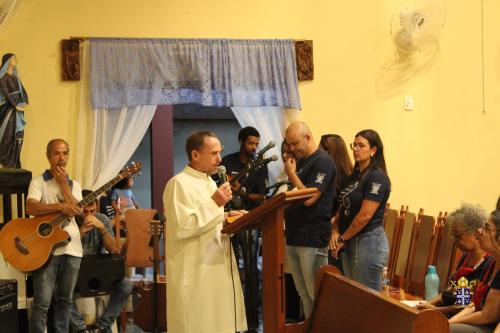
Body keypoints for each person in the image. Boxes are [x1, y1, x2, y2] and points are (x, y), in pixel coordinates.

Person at [163, 130, 247, 333]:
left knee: (218, 322)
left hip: (215, 266)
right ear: (195, 155)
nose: (220, 159)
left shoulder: (210, 182)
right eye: (214, 153)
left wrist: (229, 216)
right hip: (194, 272)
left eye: (220, 153)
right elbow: (182, 227)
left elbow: (211, 221)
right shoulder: (178, 184)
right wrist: (215, 203)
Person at [26, 139, 83, 333]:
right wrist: (59, 206)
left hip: (73, 248)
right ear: (48, 156)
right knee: (42, 301)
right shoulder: (37, 181)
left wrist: (63, 185)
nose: (61, 158)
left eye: (65, 153)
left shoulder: (75, 184)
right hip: (45, 250)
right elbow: (31, 206)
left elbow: (78, 210)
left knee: (65, 300)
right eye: (57, 153)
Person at [284, 121, 336, 318]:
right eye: (289, 144)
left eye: (294, 143)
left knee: (316, 294)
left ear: (307, 138)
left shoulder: (322, 162)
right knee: (303, 293)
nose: (291, 148)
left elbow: (309, 199)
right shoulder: (301, 161)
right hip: (295, 235)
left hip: (312, 237)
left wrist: (291, 174)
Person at [220, 126, 269, 332]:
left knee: (251, 273)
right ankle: (229, 318)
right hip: (228, 224)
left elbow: (263, 196)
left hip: (250, 224)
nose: (254, 147)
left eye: (256, 144)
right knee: (230, 271)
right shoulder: (226, 163)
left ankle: (252, 322)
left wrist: (243, 193)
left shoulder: (259, 165)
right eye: (250, 143)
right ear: (241, 141)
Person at [331, 129, 390, 291]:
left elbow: (365, 216)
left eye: (361, 145)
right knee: (354, 295)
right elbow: (342, 205)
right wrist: (335, 229)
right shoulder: (355, 175)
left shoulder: (377, 177)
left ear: (373, 150)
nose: (356, 149)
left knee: (368, 298)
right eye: (354, 145)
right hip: (351, 239)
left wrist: (343, 238)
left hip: (368, 241)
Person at [70, 190, 133, 333]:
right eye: (84, 212)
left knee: (126, 285)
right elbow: (64, 253)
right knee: (58, 290)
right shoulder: (70, 222)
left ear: (96, 207)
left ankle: (103, 326)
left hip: (100, 273)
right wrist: (80, 233)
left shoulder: (102, 219)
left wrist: (103, 229)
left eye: (92, 211)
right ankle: (80, 329)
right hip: (76, 274)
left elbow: (114, 251)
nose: (88, 215)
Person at [416, 203, 494, 316]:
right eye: (453, 236)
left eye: (458, 235)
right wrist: (426, 304)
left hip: (461, 316)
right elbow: (449, 292)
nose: (455, 241)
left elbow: (467, 305)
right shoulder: (466, 257)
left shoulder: (489, 262)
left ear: (476, 232)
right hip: (448, 310)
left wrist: (434, 310)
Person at [449, 209, 500, 332]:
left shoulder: (485, 261)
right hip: (470, 317)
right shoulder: (467, 258)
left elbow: (486, 315)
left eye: (458, 235)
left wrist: (447, 321)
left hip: (483, 324)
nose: (479, 232)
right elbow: (470, 303)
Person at [318, 134, 353, 269]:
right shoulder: (325, 173)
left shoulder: (348, 178)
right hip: (326, 230)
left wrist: (335, 227)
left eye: (321, 150)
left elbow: (344, 208)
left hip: (339, 234)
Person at [0, 53, 29, 168]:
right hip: (8, 110)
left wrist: (24, 103)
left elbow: (22, 92)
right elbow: (6, 93)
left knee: (18, 135)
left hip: (18, 110)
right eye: (12, 58)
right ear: (7, 62)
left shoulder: (16, 77)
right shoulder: (2, 77)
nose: (15, 60)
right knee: (8, 134)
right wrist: (15, 105)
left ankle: (14, 162)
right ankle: (3, 160)